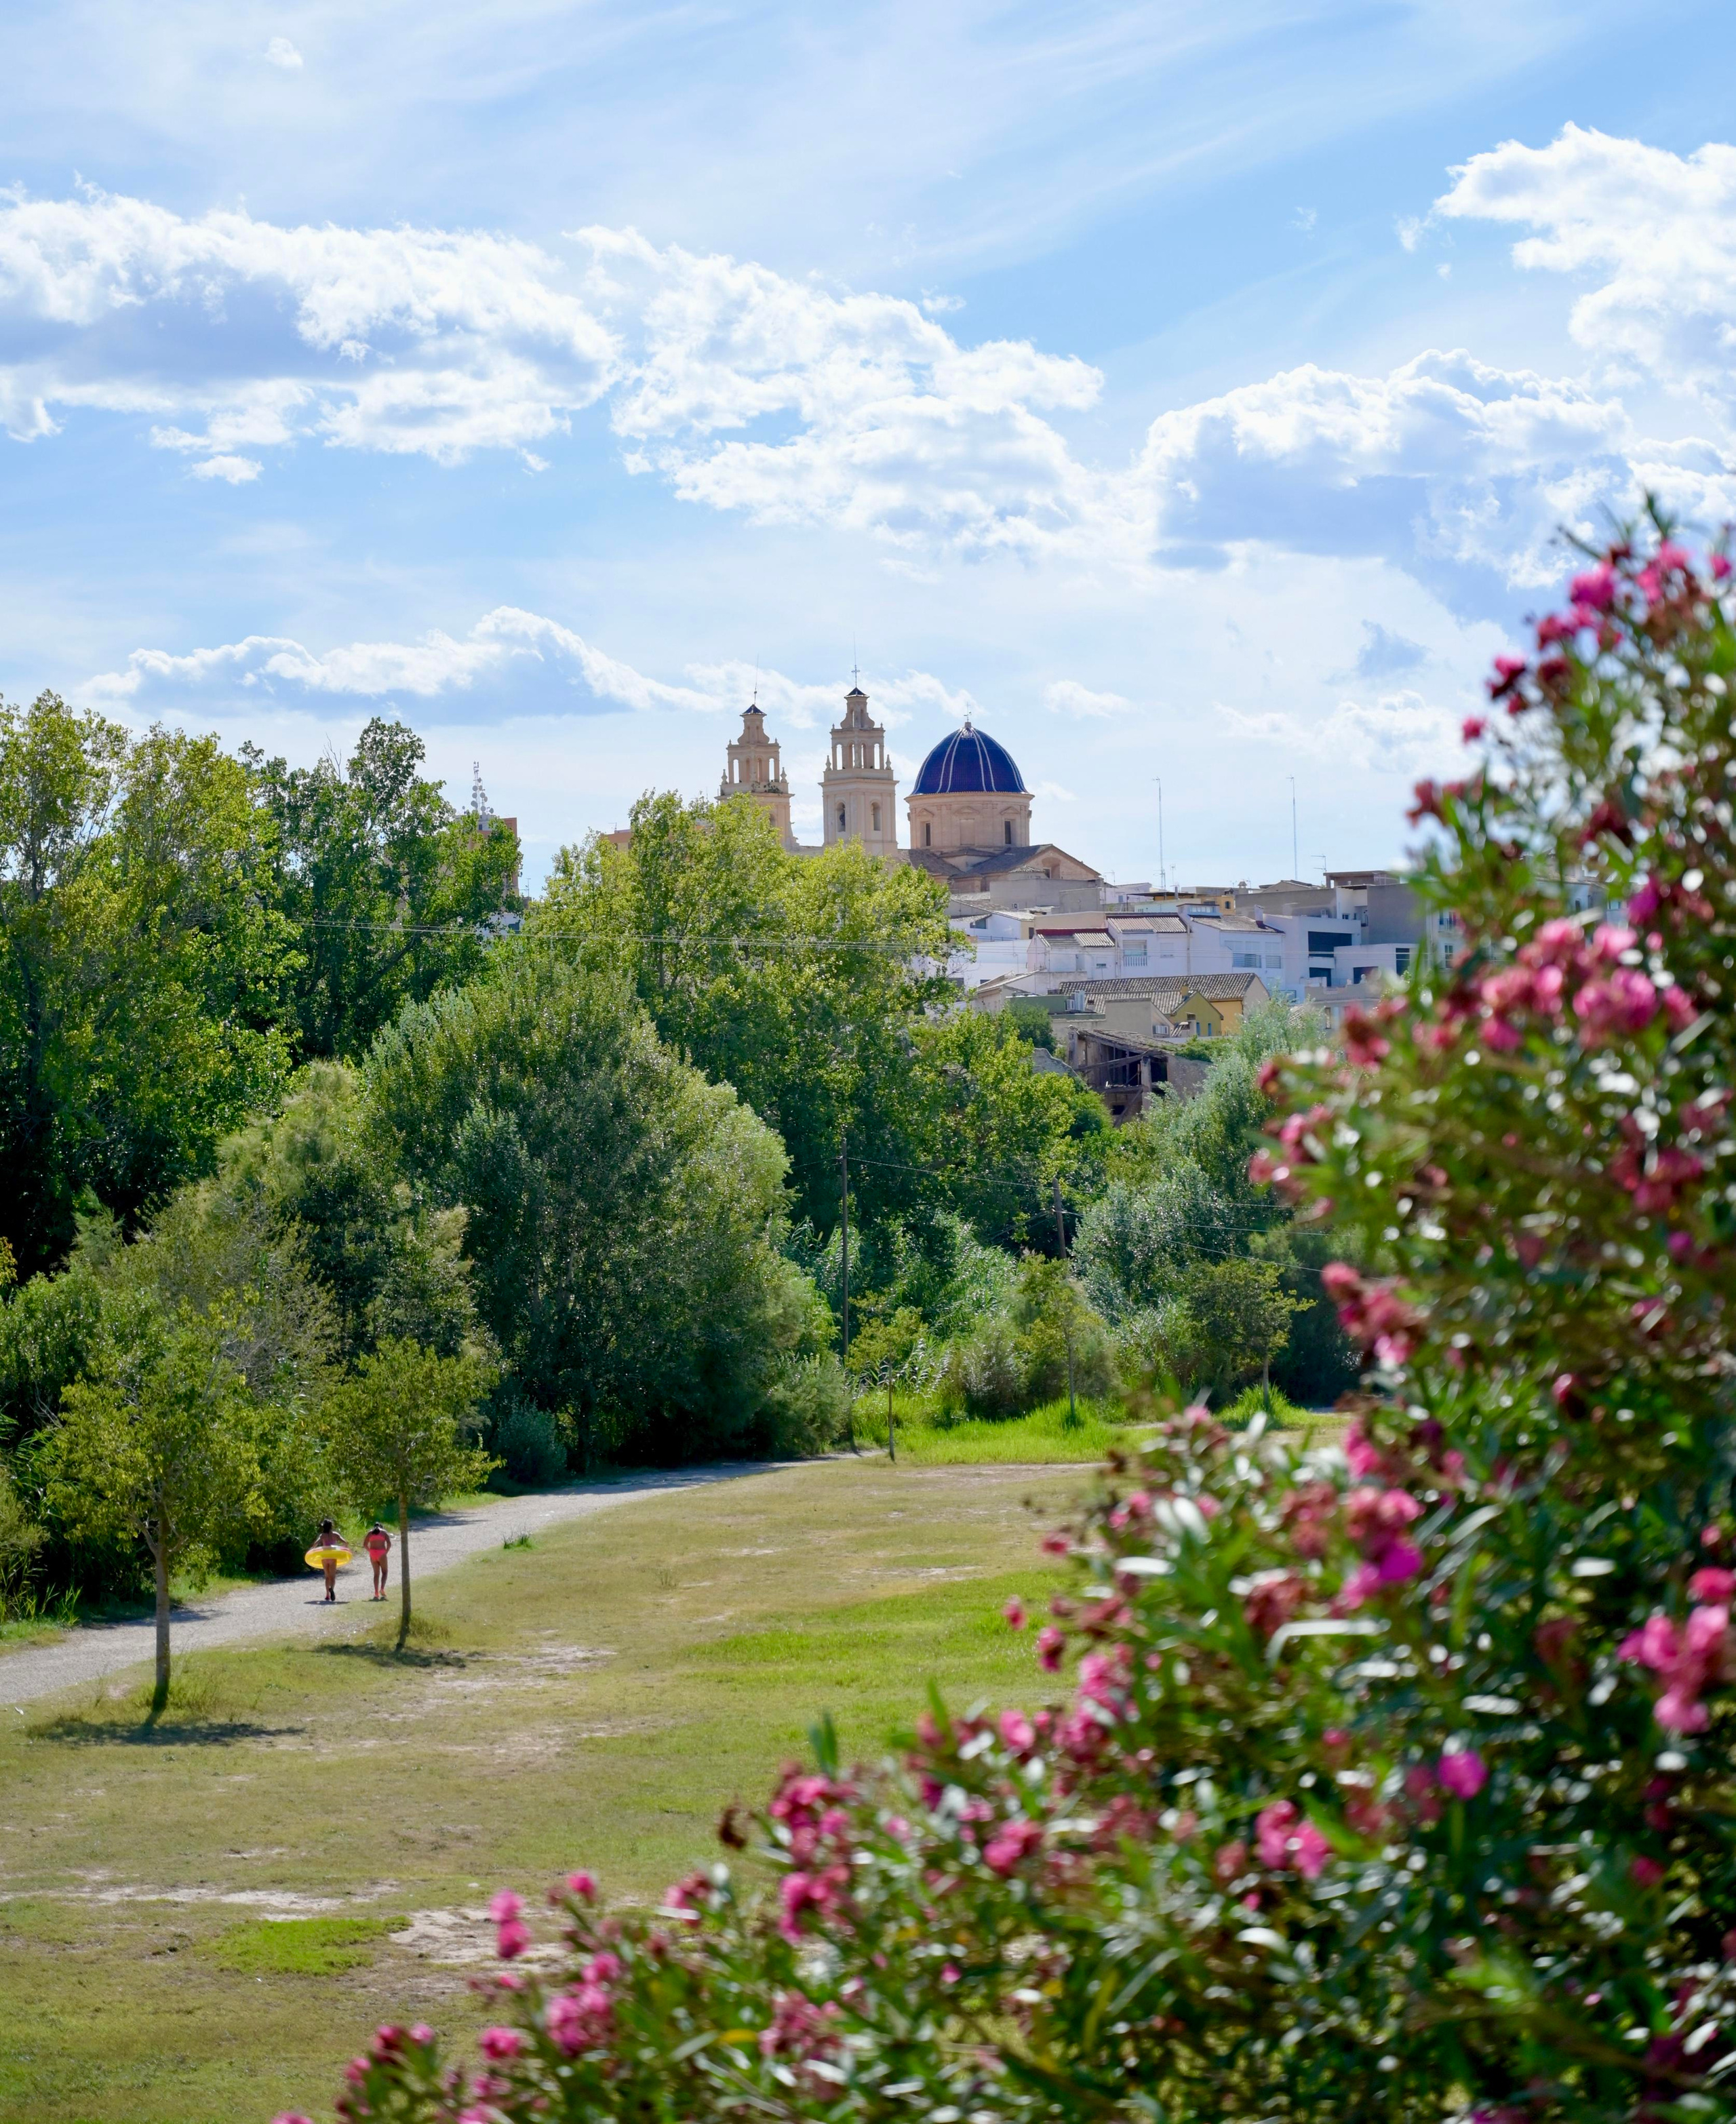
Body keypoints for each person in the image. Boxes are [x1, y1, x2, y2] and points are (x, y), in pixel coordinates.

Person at [363, 1521, 393, 1601]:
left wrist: (370, 1551)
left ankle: (376, 1592)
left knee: (376, 1574)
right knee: (385, 1572)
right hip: (381, 1553)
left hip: (373, 1554)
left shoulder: (370, 1533)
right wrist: (386, 1552)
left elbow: (365, 1545)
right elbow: (389, 1544)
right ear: (381, 1527)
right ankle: (382, 1588)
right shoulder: (384, 1533)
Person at [315, 1517, 342, 1603]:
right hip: (333, 1557)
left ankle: (327, 1594)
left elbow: (316, 1543)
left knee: (327, 1577)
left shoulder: (322, 1535)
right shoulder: (335, 1535)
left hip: (325, 1558)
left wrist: (312, 1550)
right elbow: (345, 1542)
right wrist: (343, 1549)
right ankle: (332, 1589)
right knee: (333, 1577)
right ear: (331, 1526)